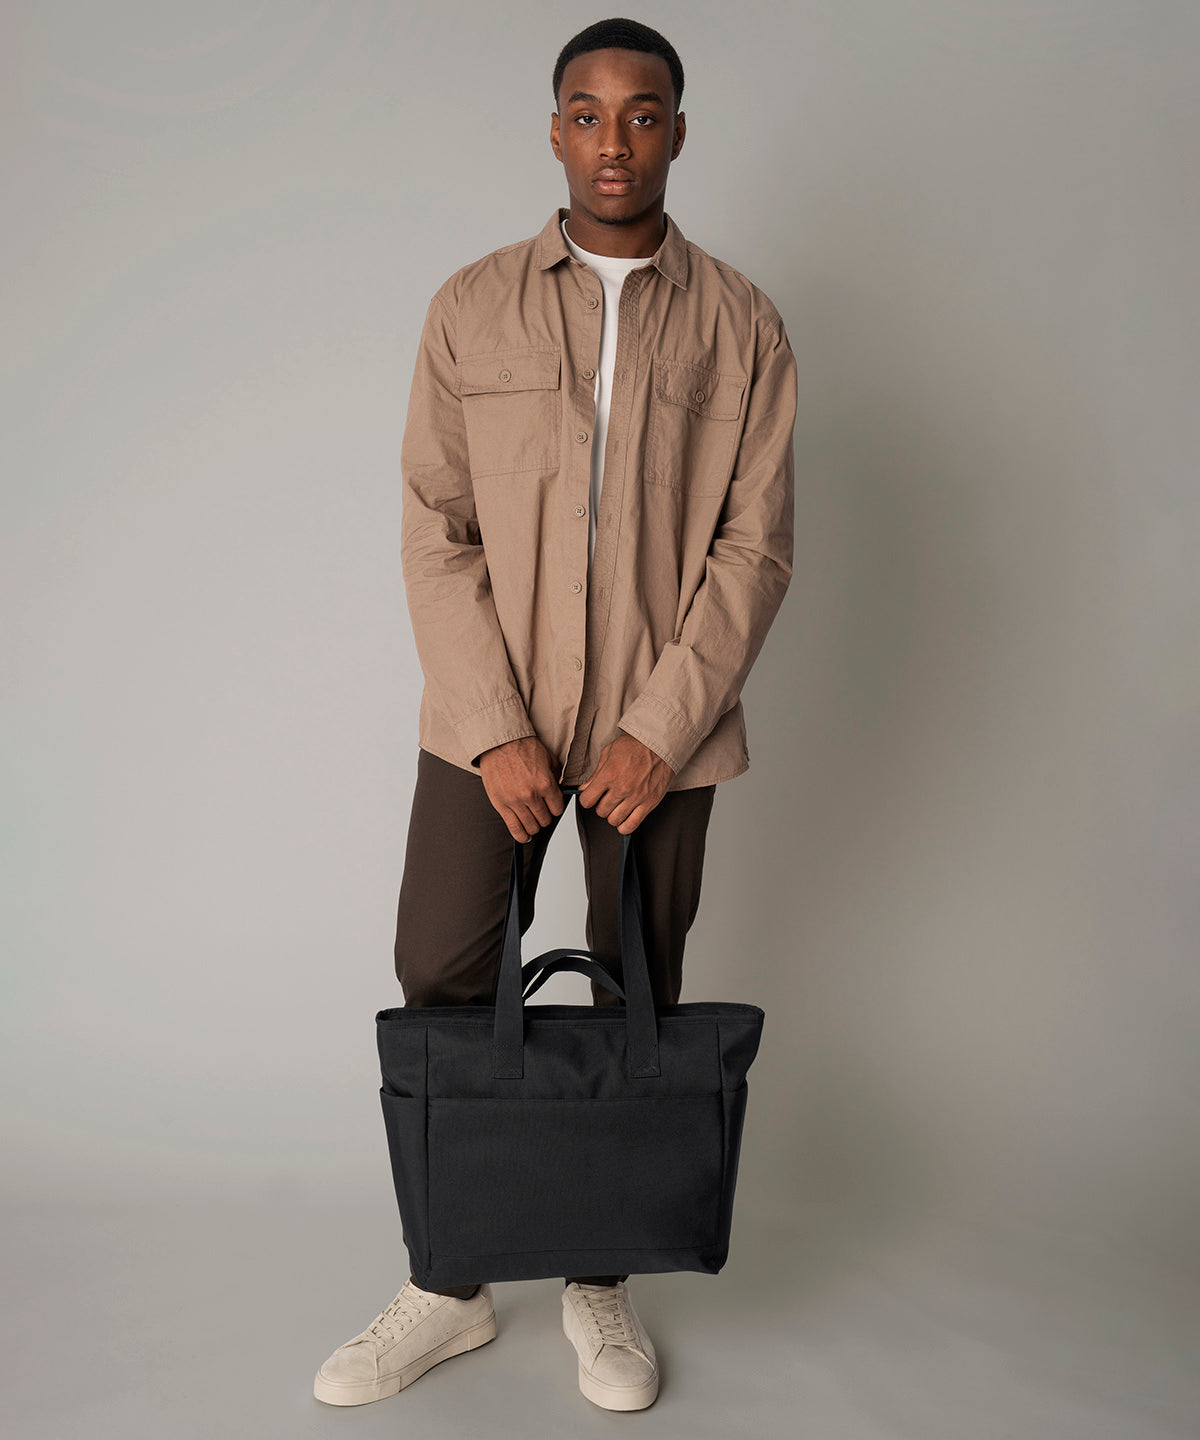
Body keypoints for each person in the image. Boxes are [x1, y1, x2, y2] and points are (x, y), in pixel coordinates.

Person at [314, 15, 796, 1414]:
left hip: (663, 724)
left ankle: (600, 1270)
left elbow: (754, 548)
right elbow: (436, 528)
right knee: (441, 969)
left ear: (678, 134)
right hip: (494, 719)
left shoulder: (743, 324)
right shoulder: (470, 307)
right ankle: (451, 1281)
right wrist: (496, 728)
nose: (613, 142)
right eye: (587, 114)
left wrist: (661, 727)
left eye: (642, 115)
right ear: (553, 131)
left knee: (639, 986)